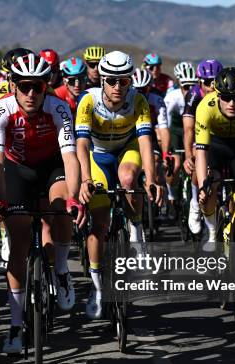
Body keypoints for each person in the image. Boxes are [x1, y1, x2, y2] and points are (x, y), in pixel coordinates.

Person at [0, 53, 85, 353]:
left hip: (51, 166)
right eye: (24, 86)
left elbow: (70, 156)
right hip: (17, 169)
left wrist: (74, 198)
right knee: (18, 238)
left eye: (38, 87)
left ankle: (62, 269)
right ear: (13, 85)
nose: (31, 94)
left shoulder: (59, 107)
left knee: (61, 208)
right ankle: (16, 326)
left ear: (46, 86)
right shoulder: (0, 109)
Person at [76, 51, 162, 319]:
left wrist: (151, 178)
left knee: (127, 180)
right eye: (111, 81)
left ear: (130, 82)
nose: (117, 87)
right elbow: (80, 144)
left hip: (127, 148)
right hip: (98, 155)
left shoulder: (138, 100)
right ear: (102, 80)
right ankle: (98, 288)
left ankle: (136, 229)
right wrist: (86, 179)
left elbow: (146, 141)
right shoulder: (88, 101)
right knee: (99, 223)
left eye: (123, 81)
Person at [194, 67, 235, 263]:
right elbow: (201, 152)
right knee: (209, 188)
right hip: (216, 147)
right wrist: (202, 185)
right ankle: (213, 229)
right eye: (226, 98)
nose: (232, 103)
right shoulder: (206, 107)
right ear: (217, 94)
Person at [183, 59, 223, 236]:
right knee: (196, 165)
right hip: (199, 135)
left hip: (220, 136)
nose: (212, 87)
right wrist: (188, 156)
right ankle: (194, 201)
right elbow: (189, 129)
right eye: (208, 82)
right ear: (200, 82)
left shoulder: (225, 94)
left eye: (216, 81)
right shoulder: (194, 96)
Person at [164, 61, 198, 200]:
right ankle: (171, 196)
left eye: (192, 86)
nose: (189, 90)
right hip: (176, 131)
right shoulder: (173, 97)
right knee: (176, 164)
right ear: (180, 85)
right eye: (186, 86)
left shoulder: (198, 97)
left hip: (194, 130)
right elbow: (165, 121)